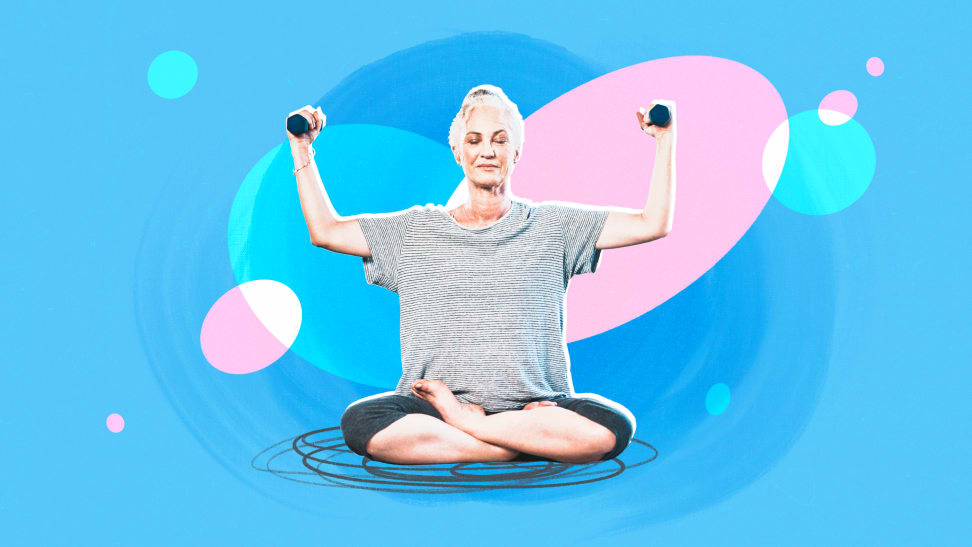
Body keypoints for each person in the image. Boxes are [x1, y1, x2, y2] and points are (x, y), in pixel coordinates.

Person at [287, 85, 676, 465]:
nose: (487, 150)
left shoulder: (555, 226)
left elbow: (651, 223)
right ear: (457, 151)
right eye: (474, 140)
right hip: (432, 411)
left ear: (517, 151)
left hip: (536, 410)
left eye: (500, 140)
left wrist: (665, 139)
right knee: (361, 422)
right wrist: (302, 148)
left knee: (613, 426)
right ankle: (505, 444)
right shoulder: (413, 232)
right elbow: (327, 231)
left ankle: (473, 430)